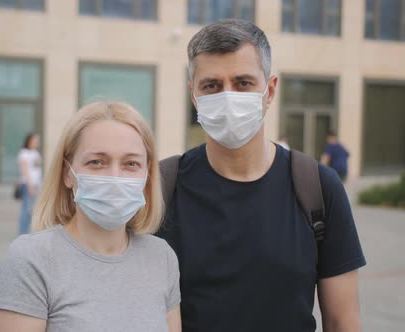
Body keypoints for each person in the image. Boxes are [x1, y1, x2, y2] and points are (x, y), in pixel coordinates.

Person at [157, 19, 366, 332]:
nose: (227, 96)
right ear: (193, 95)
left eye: (243, 83)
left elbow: (342, 321)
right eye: (211, 85)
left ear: (269, 90)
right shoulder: (161, 186)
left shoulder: (319, 187)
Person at [0, 102, 181, 332]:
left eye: (131, 164)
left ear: (147, 174)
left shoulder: (162, 257)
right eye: (96, 162)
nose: (114, 177)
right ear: (67, 174)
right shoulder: (32, 260)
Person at [17, 132, 42, 235]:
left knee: (31, 209)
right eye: (36, 140)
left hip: (35, 184)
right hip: (28, 185)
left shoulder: (35, 153)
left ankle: (27, 231)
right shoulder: (24, 153)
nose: (37, 142)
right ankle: (22, 232)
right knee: (26, 209)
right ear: (30, 140)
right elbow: (25, 171)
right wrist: (30, 185)